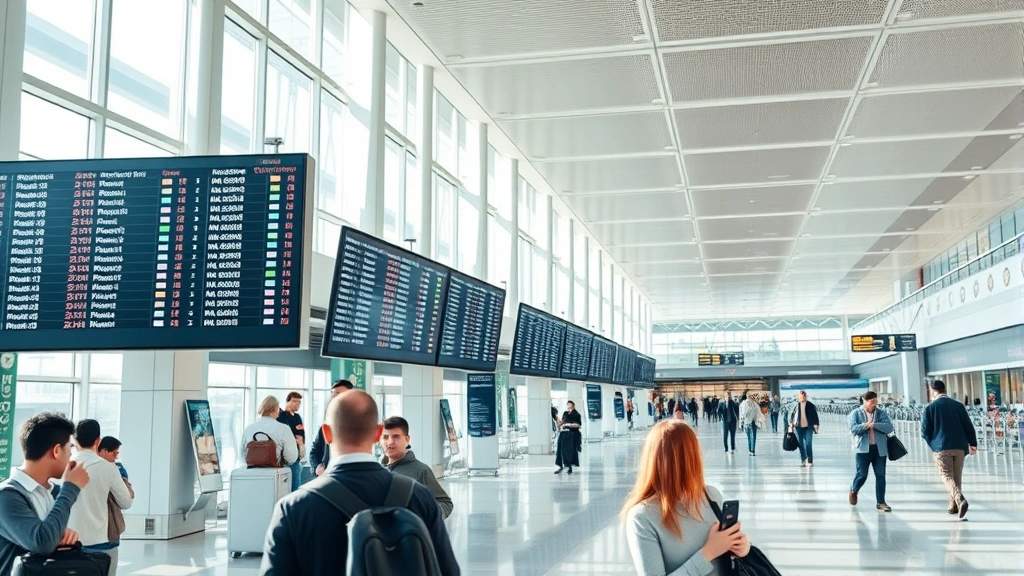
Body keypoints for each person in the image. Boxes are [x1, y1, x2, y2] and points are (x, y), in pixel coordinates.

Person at [260, 390, 460, 575]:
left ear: (326, 433)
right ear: (377, 433)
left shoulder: (294, 508)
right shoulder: (419, 496)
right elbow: (447, 570)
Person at [623, 420, 751, 575]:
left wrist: (742, 548)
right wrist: (707, 553)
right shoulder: (642, 517)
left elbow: (728, 559)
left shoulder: (711, 496)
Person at [0, 413, 89, 576]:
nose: (71, 456)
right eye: (70, 448)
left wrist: (64, 534)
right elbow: (42, 542)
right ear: (56, 451)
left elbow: (49, 536)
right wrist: (71, 488)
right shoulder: (6, 496)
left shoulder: (53, 491)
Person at [66, 420, 133, 576]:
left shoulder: (64, 466)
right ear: (97, 441)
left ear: (74, 441)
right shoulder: (108, 468)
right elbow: (126, 502)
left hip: (68, 543)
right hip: (100, 543)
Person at [921, 380, 978, 519]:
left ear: (933, 390)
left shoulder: (930, 408)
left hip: (941, 447)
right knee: (956, 476)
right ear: (944, 389)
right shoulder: (958, 405)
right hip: (960, 447)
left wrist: (934, 445)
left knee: (946, 475)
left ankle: (959, 499)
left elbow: (924, 431)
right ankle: (953, 506)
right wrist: (973, 443)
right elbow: (968, 425)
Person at [379, 416, 453, 519]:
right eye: (385, 437)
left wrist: (424, 518)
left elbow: (445, 503)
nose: (390, 442)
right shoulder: (377, 470)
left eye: (396, 436)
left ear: (407, 439)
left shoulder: (421, 471)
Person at [848, 391, 894, 512]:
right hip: (863, 450)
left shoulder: (881, 413)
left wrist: (874, 425)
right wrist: (866, 426)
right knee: (862, 474)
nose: (874, 404)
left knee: (880, 475)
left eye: (875, 402)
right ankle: (854, 490)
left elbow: (889, 427)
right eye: (871, 402)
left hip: (879, 450)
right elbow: (853, 429)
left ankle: (881, 502)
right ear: (865, 401)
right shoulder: (856, 414)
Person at [310, 380, 354, 476]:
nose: (333, 397)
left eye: (337, 394)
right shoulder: (327, 425)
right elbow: (315, 450)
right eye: (332, 394)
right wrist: (317, 466)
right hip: (327, 478)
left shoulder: (358, 426)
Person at [244, 396, 299, 473]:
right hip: (276, 474)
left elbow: (242, 454)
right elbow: (291, 457)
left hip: (252, 474)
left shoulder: (249, 429)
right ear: (275, 410)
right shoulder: (283, 429)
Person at [97, 437, 134, 546]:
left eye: (117, 453)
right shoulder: (111, 469)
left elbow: (129, 496)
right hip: (105, 526)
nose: (116, 457)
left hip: (110, 524)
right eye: (114, 453)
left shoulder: (118, 469)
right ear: (103, 450)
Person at [277, 392, 306, 490]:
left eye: (299, 402)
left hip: (296, 455)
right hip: (285, 455)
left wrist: (301, 444)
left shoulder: (297, 417)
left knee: (296, 482)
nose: (297, 404)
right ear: (287, 401)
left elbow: (301, 436)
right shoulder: (281, 416)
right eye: (294, 401)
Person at [789, 391, 820, 467]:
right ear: (798, 397)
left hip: (808, 427)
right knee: (801, 444)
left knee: (808, 443)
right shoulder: (796, 405)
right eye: (800, 396)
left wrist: (816, 425)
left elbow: (815, 416)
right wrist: (791, 423)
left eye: (803, 396)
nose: (802, 398)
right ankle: (803, 459)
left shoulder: (810, 405)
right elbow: (791, 415)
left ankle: (809, 459)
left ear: (805, 396)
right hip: (798, 427)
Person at [555, 401, 583, 475]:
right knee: (560, 450)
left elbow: (578, 425)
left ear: (573, 405)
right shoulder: (565, 413)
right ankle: (561, 465)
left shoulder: (577, 415)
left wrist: (569, 425)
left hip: (571, 434)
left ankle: (569, 466)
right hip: (563, 433)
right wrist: (558, 420)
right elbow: (561, 423)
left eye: (569, 404)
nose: (568, 405)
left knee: (569, 451)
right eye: (567, 404)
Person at [738, 392, 760, 456]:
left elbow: (757, 413)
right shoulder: (745, 404)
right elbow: (742, 414)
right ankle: (751, 450)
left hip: (750, 422)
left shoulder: (753, 404)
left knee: (752, 437)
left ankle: (752, 450)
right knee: (751, 437)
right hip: (748, 422)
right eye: (750, 396)